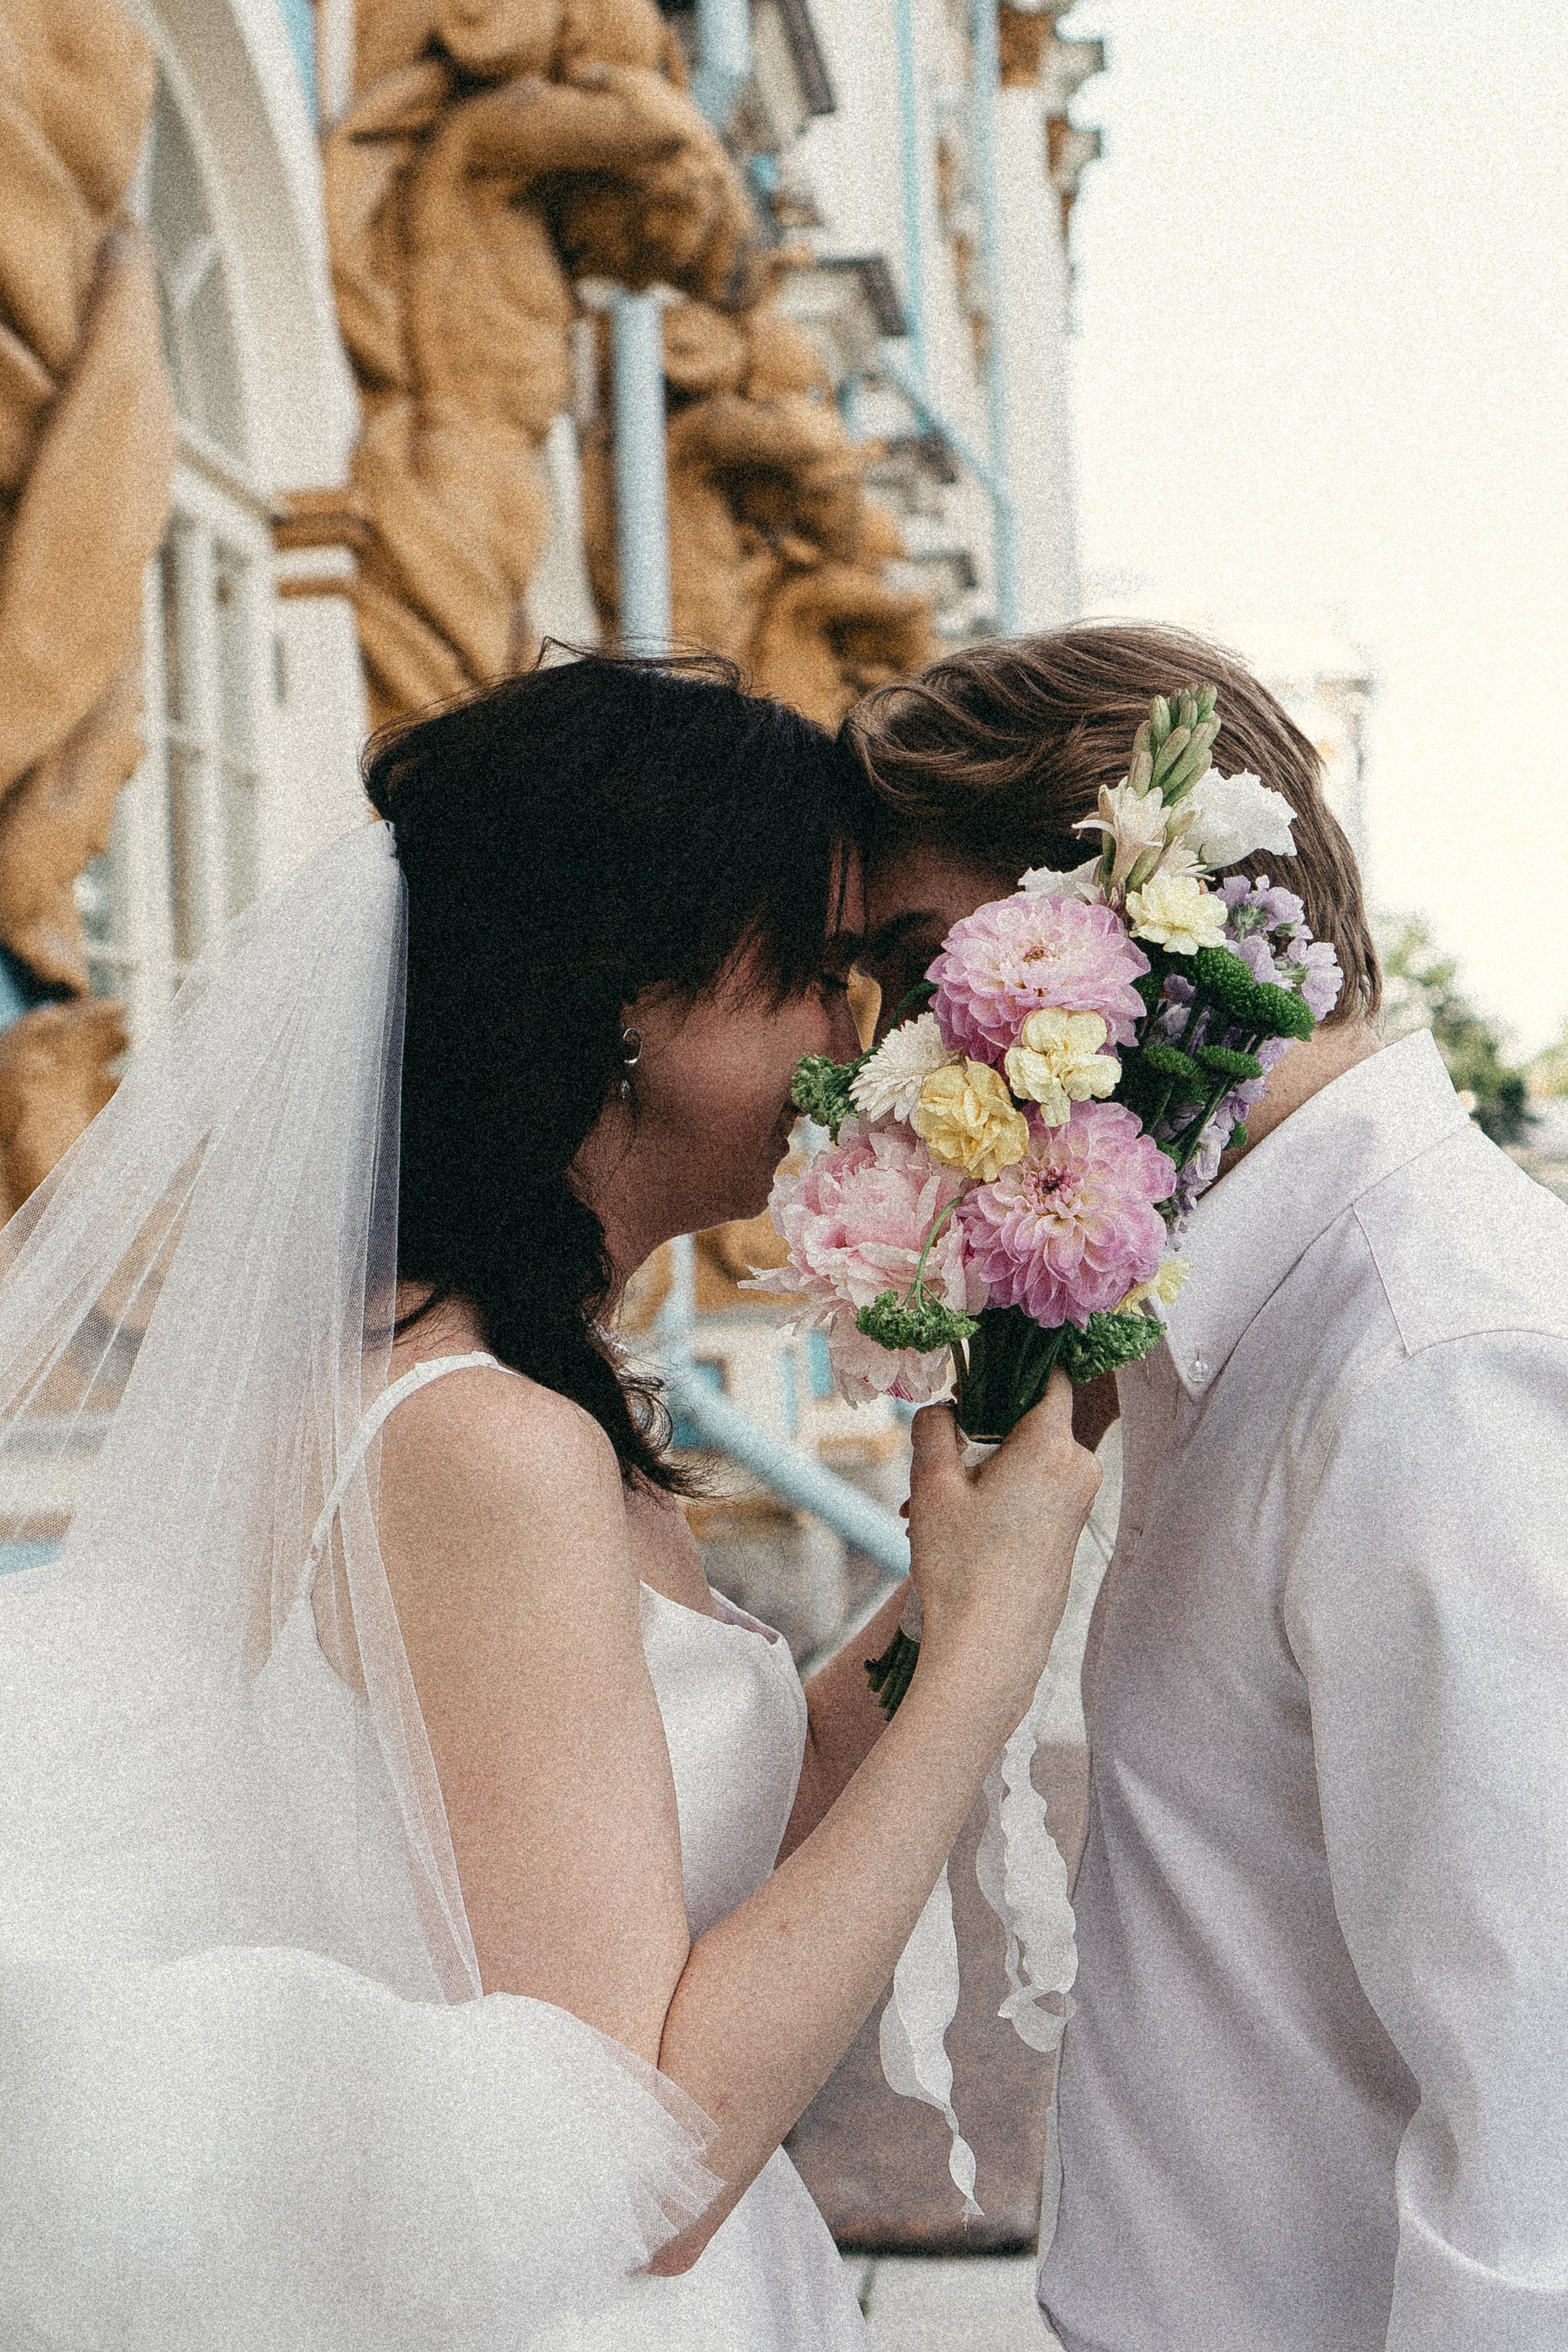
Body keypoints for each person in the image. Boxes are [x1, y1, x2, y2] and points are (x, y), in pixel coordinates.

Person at [0, 650, 1102, 2349]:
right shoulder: (478, 1441)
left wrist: (946, 1594)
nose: (856, 1034)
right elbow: (633, 2161)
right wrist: (982, 1669)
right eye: (812, 971)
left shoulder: (491, 1387)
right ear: (625, 1003)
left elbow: (732, 1791)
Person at [847, 620, 1568, 2352]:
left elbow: (1541, 2148)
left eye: (916, 969)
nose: (882, 1063)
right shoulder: (1227, 1320)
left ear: (1126, 965)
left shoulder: (1432, 1366)